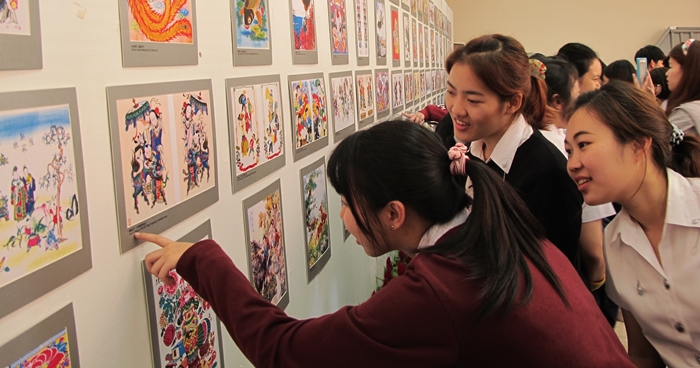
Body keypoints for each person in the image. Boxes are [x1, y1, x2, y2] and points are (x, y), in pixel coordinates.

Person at [139, 121, 633, 368]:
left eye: (348, 204)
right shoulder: (490, 227)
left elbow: (285, 352)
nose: (341, 219)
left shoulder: (442, 287)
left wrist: (200, 258)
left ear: (394, 213)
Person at [565, 81, 700, 368]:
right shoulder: (615, 242)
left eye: (583, 145)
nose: (572, 164)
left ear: (638, 144)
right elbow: (642, 354)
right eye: (569, 151)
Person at [437, 34, 583, 267]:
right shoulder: (469, 152)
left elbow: (558, 268)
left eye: (473, 100)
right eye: (451, 92)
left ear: (513, 102)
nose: (456, 109)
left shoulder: (549, 173)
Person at [532, 55, 618, 325]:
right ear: (558, 100)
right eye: (579, 89)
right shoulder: (561, 151)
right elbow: (594, 252)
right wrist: (596, 286)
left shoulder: (533, 145)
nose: (574, 163)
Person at [666, 38, 700, 136]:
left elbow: (659, 143)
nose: (667, 73)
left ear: (687, 70)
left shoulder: (686, 115)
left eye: (671, 66)